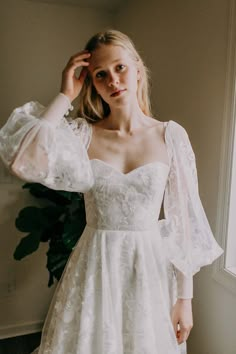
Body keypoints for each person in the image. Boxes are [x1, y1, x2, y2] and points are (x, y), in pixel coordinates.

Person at [0, 29, 223, 354]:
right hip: (95, 264)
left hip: (148, 270)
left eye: (119, 68)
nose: (113, 81)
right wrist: (65, 94)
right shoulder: (83, 135)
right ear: (91, 82)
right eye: (100, 74)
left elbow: (183, 221)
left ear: (136, 67)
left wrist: (185, 299)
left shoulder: (170, 136)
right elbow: (22, 161)